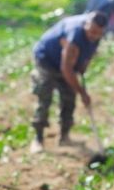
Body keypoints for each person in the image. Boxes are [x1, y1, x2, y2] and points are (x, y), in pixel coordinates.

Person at [30, 11, 107, 153]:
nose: (94, 36)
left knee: (69, 98)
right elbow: (66, 69)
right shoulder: (74, 36)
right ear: (86, 24)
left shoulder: (96, 35)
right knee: (45, 97)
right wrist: (82, 92)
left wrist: (83, 65)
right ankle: (38, 139)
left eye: (98, 33)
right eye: (92, 32)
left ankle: (64, 136)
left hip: (66, 64)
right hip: (47, 60)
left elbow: (89, 53)